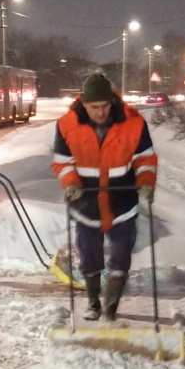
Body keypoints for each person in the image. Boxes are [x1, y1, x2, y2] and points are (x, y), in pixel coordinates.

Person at [51, 72, 157, 321]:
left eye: (105, 106)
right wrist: (71, 183)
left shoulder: (134, 122)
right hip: (85, 202)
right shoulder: (66, 125)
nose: (101, 112)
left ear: (112, 101)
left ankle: (111, 306)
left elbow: (145, 159)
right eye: (94, 107)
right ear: (83, 104)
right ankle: (93, 301)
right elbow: (62, 162)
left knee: (121, 252)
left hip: (121, 201)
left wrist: (146, 183)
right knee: (89, 253)